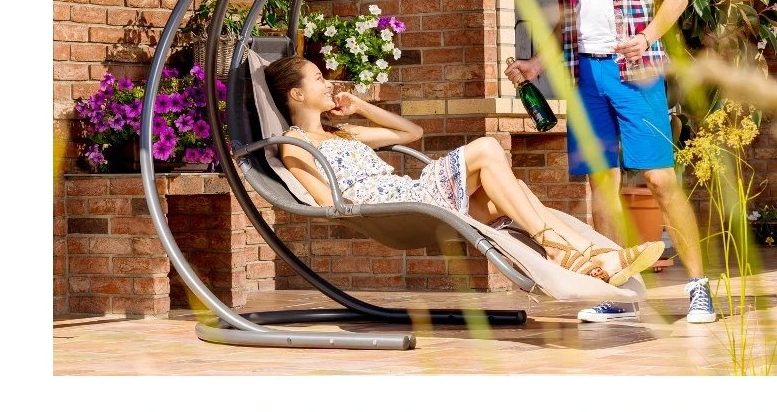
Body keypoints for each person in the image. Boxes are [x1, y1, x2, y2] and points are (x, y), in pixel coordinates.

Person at [503, 0, 717, 324]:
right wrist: (537, 65)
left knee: (660, 179)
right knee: (602, 183)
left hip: (635, 70)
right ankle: (620, 295)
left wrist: (647, 36)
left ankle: (698, 288)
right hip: (585, 73)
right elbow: (566, 16)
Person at [264, 54, 665, 286]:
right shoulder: (295, 145)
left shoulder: (343, 132)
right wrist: (369, 209)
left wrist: (361, 107)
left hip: (410, 193)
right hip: (394, 205)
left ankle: (594, 258)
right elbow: (328, 202)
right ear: (296, 93)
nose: (329, 85)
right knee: (487, 148)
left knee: (512, 189)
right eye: (319, 79)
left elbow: (412, 132)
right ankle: (569, 251)